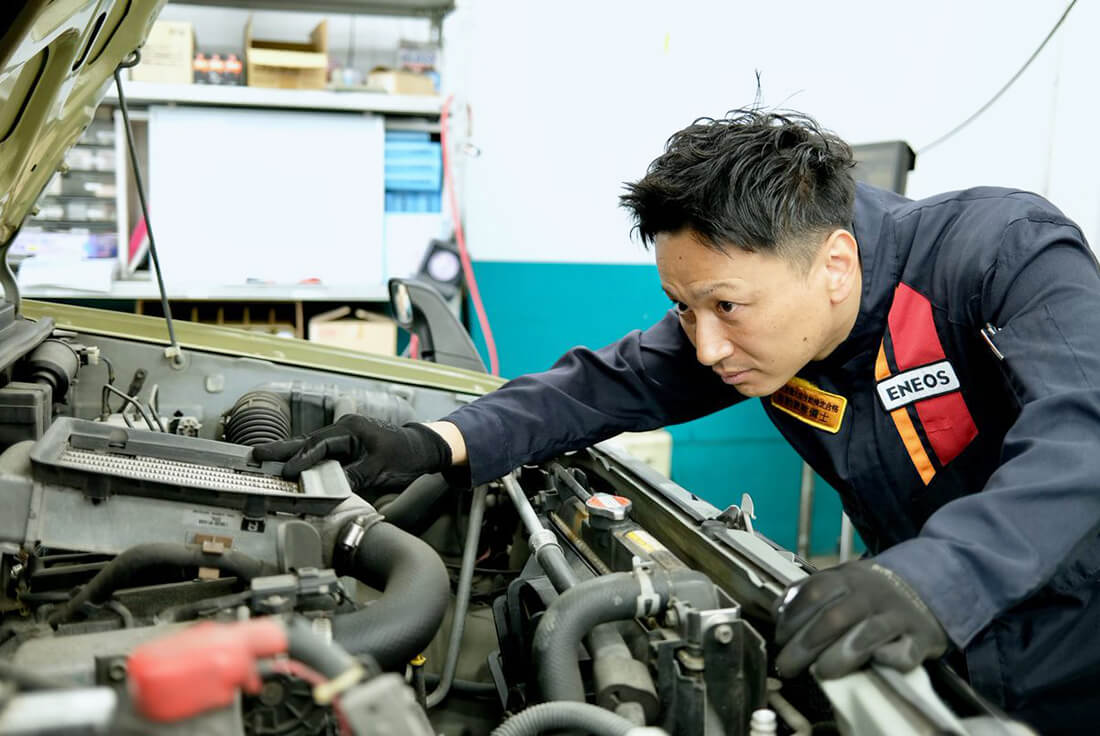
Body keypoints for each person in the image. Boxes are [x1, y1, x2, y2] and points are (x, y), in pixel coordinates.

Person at [254, 109, 1100, 734]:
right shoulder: (748, 315)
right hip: (929, 625)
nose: (704, 345)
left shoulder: (1003, 253)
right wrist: (429, 442)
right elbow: (602, 385)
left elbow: (1083, 434)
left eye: (727, 307)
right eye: (683, 307)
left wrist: (932, 580)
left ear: (834, 265)